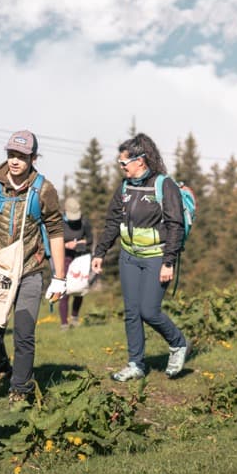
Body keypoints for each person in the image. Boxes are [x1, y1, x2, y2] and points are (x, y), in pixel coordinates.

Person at [0, 130, 66, 409]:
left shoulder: (44, 190)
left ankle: (20, 389)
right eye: (11, 155)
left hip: (30, 270)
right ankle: (1, 369)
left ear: (33, 158)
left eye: (21, 157)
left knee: (24, 332)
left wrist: (59, 277)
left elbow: (56, 230)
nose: (15, 161)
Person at [91, 133, 189, 382]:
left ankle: (178, 343)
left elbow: (176, 225)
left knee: (149, 311)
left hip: (157, 258)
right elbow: (113, 221)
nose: (121, 167)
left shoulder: (163, 185)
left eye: (124, 163)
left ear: (141, 161)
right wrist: (100, 252)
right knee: (132, 312)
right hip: (129, 257)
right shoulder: (125, 187)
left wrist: (169, 262)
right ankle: (136, 364)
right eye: (119, 163)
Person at [59, 195, 92, 329]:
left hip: (80, 258)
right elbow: (53, 242)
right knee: (65, 290)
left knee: (79, 288)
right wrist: (65, 245)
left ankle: (74, 317)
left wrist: (79, 243)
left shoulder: (84, 221)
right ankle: (64, 324)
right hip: (64, 258)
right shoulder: (59, 222)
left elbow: (90, 240)